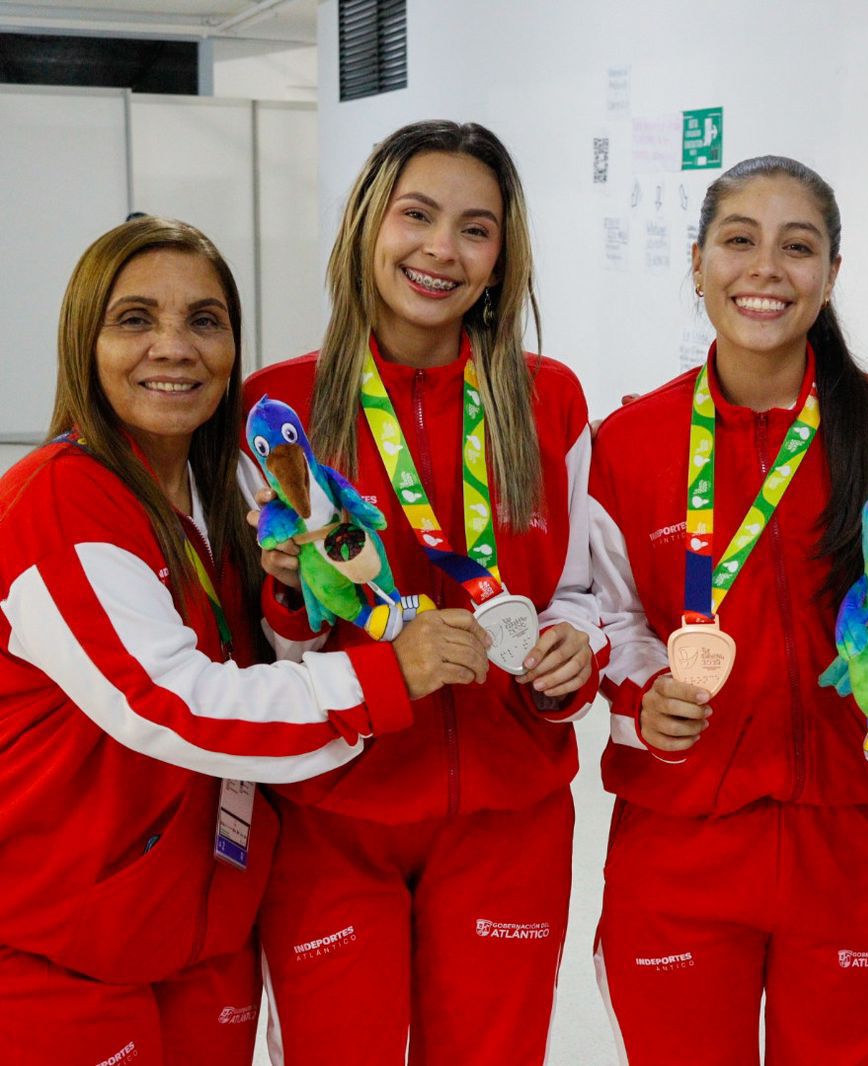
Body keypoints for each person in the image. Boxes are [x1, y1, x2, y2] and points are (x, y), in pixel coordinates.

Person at [0, 217, 478, 1065]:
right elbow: (172, 703)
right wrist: (385, 676)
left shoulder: (215, 493)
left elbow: (247, 660)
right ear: (85, 341)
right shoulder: (57, 502)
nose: (175, 347)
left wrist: (289, 605)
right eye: (136, 319)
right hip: (64, 945)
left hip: (202, 930)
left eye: (205, 321)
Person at [243, 121, 606, 1064]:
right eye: (418, 215)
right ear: (368, 224)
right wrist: (286, 597)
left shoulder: (550, 398)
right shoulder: (275, 408)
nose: (442, 249)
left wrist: (576, 651)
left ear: (501, 258)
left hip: (508, 817)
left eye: (475, 228)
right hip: (334, 816)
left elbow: (574, 590)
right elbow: (261, 655)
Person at [589, 155, 868, 1065]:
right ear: (698, 261)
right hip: (682, 842)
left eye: (798, 248)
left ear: (832, 276)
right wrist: (640, 695)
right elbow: (607, 614)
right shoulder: (628, 442)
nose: (765, 269)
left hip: (856, 840)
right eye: (739, 241)